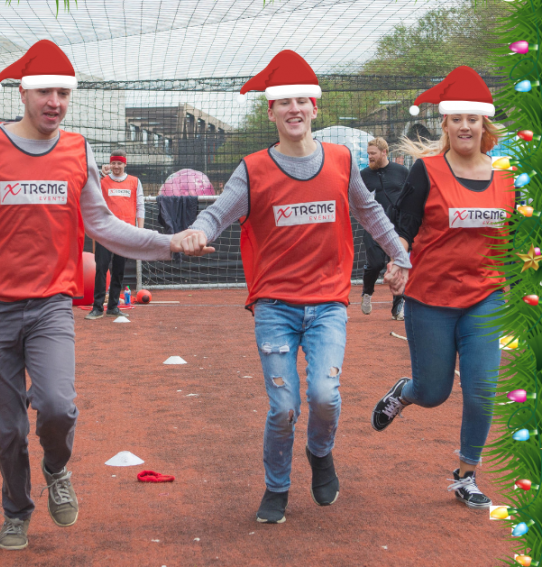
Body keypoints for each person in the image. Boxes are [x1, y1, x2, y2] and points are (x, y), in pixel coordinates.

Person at [0, 39, 203, 551]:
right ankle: (16, 509)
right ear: (23, 92)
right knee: (8, 429)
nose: (55, 101)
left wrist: (168, 243)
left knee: (57, 406)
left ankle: (56, 469)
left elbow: (103, 225)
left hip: (51, 303)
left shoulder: (78, 150)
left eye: (63, 93)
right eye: (45, 91)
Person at [178, 50, 411, 524]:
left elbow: (370, 214)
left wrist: (400, 256)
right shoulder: (253, 169)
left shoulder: (343, 161)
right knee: (283, 405)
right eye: (283, 101)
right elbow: (218, 212)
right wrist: (198, 231)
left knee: (325, 396)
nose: (294, 109)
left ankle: (320, 453)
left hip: (327, 303)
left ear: (314, 107)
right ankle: (276, 486)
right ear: (271, 111)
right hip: (275, 306)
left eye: (301, 100)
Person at [371, 66, 512, 509]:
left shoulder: (510, 175)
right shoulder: (426, 170)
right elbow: (404, 226)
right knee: (434, 392)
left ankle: (466, 474)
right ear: (446, 125)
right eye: (457, 118)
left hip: (487, 296)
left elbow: (524, 237)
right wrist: (398, 262)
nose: (466, 125)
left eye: (474, 118)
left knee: (483, 387)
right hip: (430, 297)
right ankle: (404, 392)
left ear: (484, 123)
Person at [86, 149, 145, 319]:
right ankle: (97, 307)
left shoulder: (134, 182)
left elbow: (140, 206)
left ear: (125, 163)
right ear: (110, 164)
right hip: (105, 232)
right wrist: (99, 174)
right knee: (101, 269)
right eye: (113, 163)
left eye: (119, 163)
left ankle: (113, 305)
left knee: (119, 270)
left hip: (125, 233)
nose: (116, 166)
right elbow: (88, 185)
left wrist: (139, 231)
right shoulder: (102, 181)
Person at [360, 137, 409, 319]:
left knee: (397, 265)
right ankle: (367, 292)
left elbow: (412, 194)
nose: (369, 157)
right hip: (374, 226)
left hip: (398, 228)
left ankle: (398, 308)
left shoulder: (402, 171)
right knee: (376, 264)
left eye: (373, 153)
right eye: (368, 153)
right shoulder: (363, 175)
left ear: (384, 152)